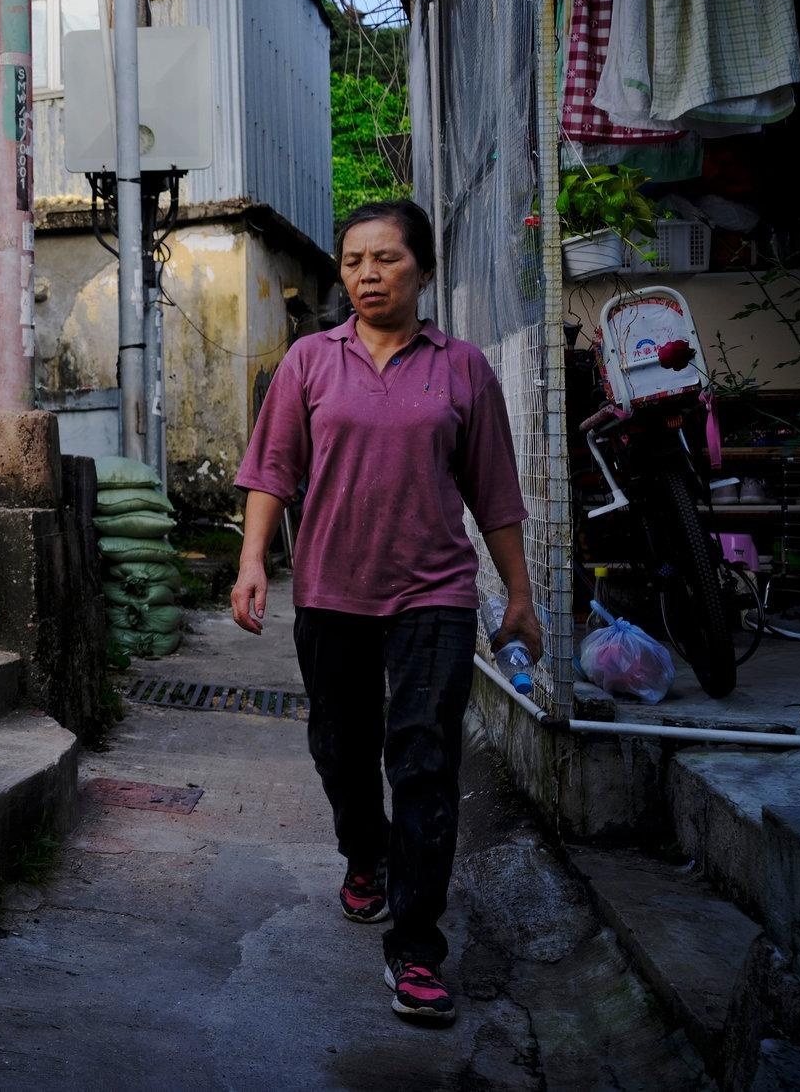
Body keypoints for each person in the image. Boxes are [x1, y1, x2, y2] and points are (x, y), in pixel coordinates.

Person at [230, 200, 543, 1024]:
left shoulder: (463, 367)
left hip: (432, 595)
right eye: (355, 261)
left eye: (387, 260)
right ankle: (363, 854)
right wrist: (253, 561)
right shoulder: (308, 361)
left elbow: (495, 492)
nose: (368, 275)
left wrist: (519, 595)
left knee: (424, 763)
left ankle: (415, 949)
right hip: (332, 590)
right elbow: (272, 471)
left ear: (424, 271)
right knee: (341, 749)